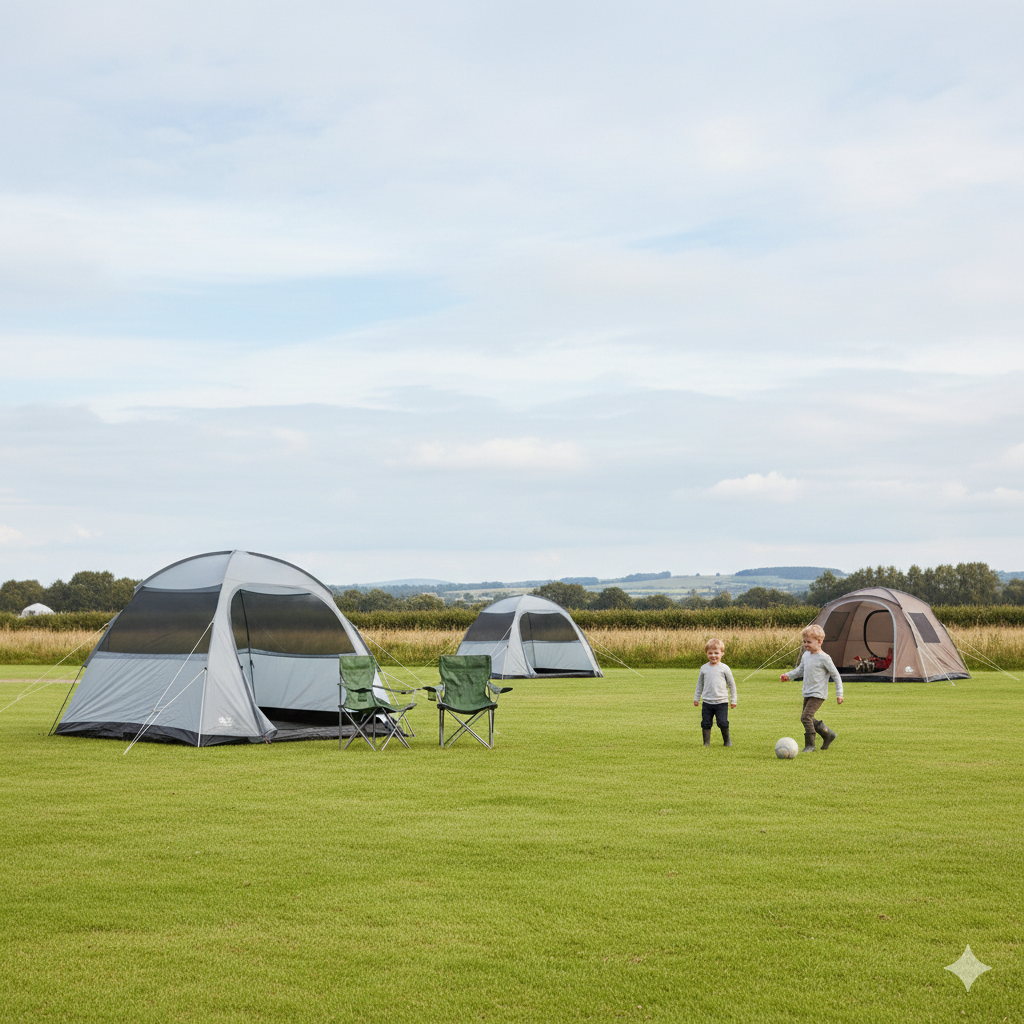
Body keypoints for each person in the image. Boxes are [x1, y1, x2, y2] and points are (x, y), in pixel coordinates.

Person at [781, 624, 843, 753]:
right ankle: (828, 734)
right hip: (807, 692)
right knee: (808, 717)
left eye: (809, 642)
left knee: (805, 717)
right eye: (804, 642)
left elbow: (836, 675)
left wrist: (839, 694)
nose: (806, 644)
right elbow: (800, 670)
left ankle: (810, 745)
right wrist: (788, 676)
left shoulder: (824, 658)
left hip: (818, 694)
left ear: (819, 642)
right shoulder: (806, 656)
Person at [693, 637, 737, 747]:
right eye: (710, 653)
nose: (713, 655)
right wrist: (696, 698)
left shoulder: (725, 668)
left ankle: (727, 741)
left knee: (722, 722)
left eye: (716, 653)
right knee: (706, 723)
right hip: (707, 703)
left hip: (721, 702)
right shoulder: (704, 668)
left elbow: (732, 685)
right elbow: (699, 685)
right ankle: (706, 743)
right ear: (707, 654)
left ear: (722, 653)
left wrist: (733, 700)